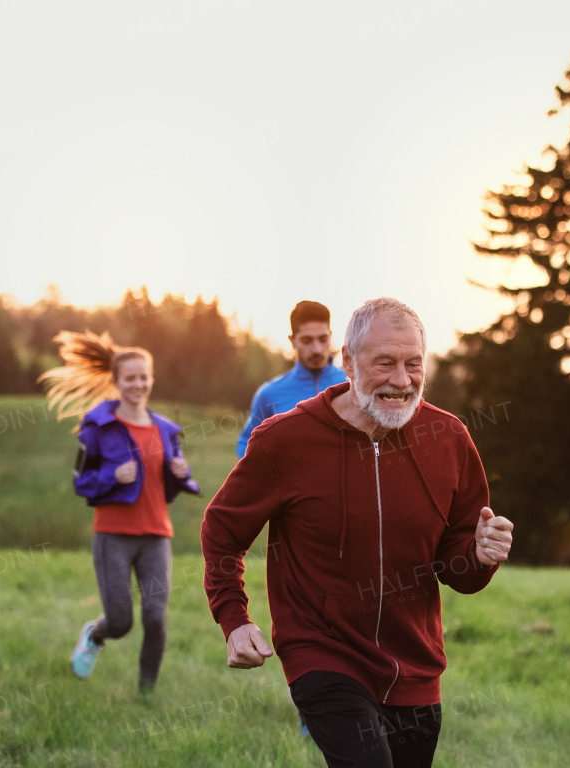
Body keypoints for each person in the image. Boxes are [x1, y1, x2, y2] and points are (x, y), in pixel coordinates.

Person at [202, 297, 515, 768]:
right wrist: (234, 618)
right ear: (346, 361)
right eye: (384, 363)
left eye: (413, 364)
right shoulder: (284, 441)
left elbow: (458, 570)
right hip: (322, 653)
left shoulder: (448, 439)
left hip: (416, 665)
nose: (401, 380)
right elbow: (222, 530)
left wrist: (481, 554)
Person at [39, 331, 201, 691]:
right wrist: (112, 476)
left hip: (156, 535)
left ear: (152, 380)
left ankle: (146, 694)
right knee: (121, 620)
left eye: (144, 377)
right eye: (130, 378)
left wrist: (181, 474)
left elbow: (173, 483)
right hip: (113, 535)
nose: (138, 384)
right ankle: (95, 635)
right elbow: (81, 481)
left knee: (155, 617)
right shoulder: (98, 428)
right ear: (116, 382)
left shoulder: (165, 430)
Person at [236, 300, 346, 458]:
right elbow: (246, 441)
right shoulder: (269, 393)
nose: (316, 349)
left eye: (323, 339)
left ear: (330, 337)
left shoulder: (352, 386)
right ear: (292, 340)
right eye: (307, 341)